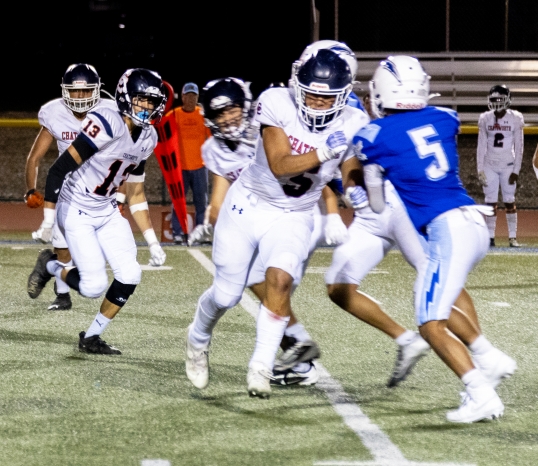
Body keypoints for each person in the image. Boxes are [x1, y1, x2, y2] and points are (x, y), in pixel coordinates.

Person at [185, 49, 368, 398]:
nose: (316, 103)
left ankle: (261, 366)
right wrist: (324, 152)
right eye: (311, 93)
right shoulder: (276, 101)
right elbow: (281, 164)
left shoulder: (353, 120)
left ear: (343, 95)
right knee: (226, 295)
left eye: (326, 97)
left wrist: (354, 188)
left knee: (280, 281)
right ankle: (197, 339)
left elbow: (350, 167)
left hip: (295, 214)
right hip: (249, 205)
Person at [353, 55, 515, 423]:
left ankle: (481, 395)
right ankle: (488, 358)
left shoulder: (372, 137)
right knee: (437, 303)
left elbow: (377, 203)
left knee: (429, 323)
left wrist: (369, 180)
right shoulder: (445, 118)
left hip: (447, 231)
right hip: (473, 223)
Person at [26, 68, 168, 354]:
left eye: (152, 102)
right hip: (76, 205)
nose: (147, 107)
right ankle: (51, 265)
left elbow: (135, 191)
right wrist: (48, 221)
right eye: (141, 100)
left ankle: (90, 337)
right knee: (92, 286)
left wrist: (152, 241)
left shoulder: (148, 138)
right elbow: (58, 169)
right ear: (126, 97)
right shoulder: (106, 122)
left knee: (130, 274)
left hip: (105, 208)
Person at [25, 63, 119, 311]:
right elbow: (34, 158)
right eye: (74, 91)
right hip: (66, 187)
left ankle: (49, 265)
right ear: (65, 91)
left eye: (86, 91)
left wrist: (121, 191)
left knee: (94, 249)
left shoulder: (111, 112)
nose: (79, 96)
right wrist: (30, 189)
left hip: (99, 191)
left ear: (97, 90)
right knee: (63, 246)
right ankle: (62, 295)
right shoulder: (54, 113)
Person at [476, 84, 525, 248]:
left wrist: (516, 169)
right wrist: (480, 168)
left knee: (509, 201)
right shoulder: (485, 118)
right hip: (489, 163)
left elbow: (519, 146)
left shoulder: (515, 118)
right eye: (494, 99)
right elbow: (481, 145)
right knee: (490, 202)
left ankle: (512, 237)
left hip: (508, 164)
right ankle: (490, 237)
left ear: (508, 100)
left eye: (500, 99)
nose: (497, 102)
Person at [165, 82, 209, 244]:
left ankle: (200, 234)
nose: (190, 99)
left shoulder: (203, 114)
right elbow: (162, 131)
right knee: (178, 202)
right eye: (188, 95)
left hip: (199, 167)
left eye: (194, 96)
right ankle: (178, 234)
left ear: (197, 98)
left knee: (201, 204)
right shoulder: (174, 115)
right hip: (179, 169)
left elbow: (212, 138)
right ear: (182, 97)